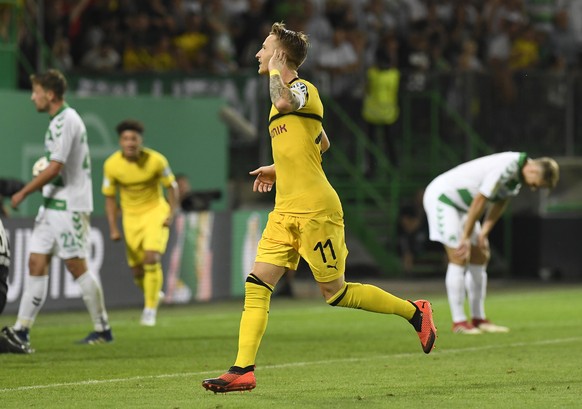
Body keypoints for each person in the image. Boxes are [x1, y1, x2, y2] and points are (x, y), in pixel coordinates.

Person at [201, 22, 437, 394]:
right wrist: (279, 169)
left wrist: (278, 73)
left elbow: (284, 101)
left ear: (281, 54)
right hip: (284, 211)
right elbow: (321, 142)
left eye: (265, 48)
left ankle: (415, 311)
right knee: (257, 283)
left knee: (336, 293)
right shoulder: (289, 99)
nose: (258, 54)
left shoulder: (300, 89)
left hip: (315, 210)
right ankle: (242, 369)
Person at [7, 69, 112, 350]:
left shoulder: (68, 120)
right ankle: (21, 331)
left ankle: (102, 328)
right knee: (35, 262)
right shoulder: (57, 121)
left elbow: (56, 167)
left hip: (70, 207)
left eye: (36, 92)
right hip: (53, 205)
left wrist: (23, 192)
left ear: (49, 94)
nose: (32, 98)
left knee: (76, 265)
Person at [423, 152, 559, 334]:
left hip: (464, 208)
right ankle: (459, 322)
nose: (534, 188)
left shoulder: (516, 177)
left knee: (480, 254)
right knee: (460, 255)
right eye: (536, 184)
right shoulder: (508, 166)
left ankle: (479, 318)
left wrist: (484, 232)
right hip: (443, 199)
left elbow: (500, 202)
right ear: (533, 170)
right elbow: (481, 198)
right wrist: (465, 237)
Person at [102, 119, 178, 327]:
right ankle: (154, 294)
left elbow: (172, 186)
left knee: (151, 257)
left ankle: (150, 310)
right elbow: (109, 198)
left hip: (155, 211)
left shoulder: (156, 161)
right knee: (137, 270)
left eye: (133, 138)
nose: (130, 143)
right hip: (130, 217)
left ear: (140, 140)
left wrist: (172, 211)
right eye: (126, 139)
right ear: (120, 142)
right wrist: (113, 227)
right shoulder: (111, 165)